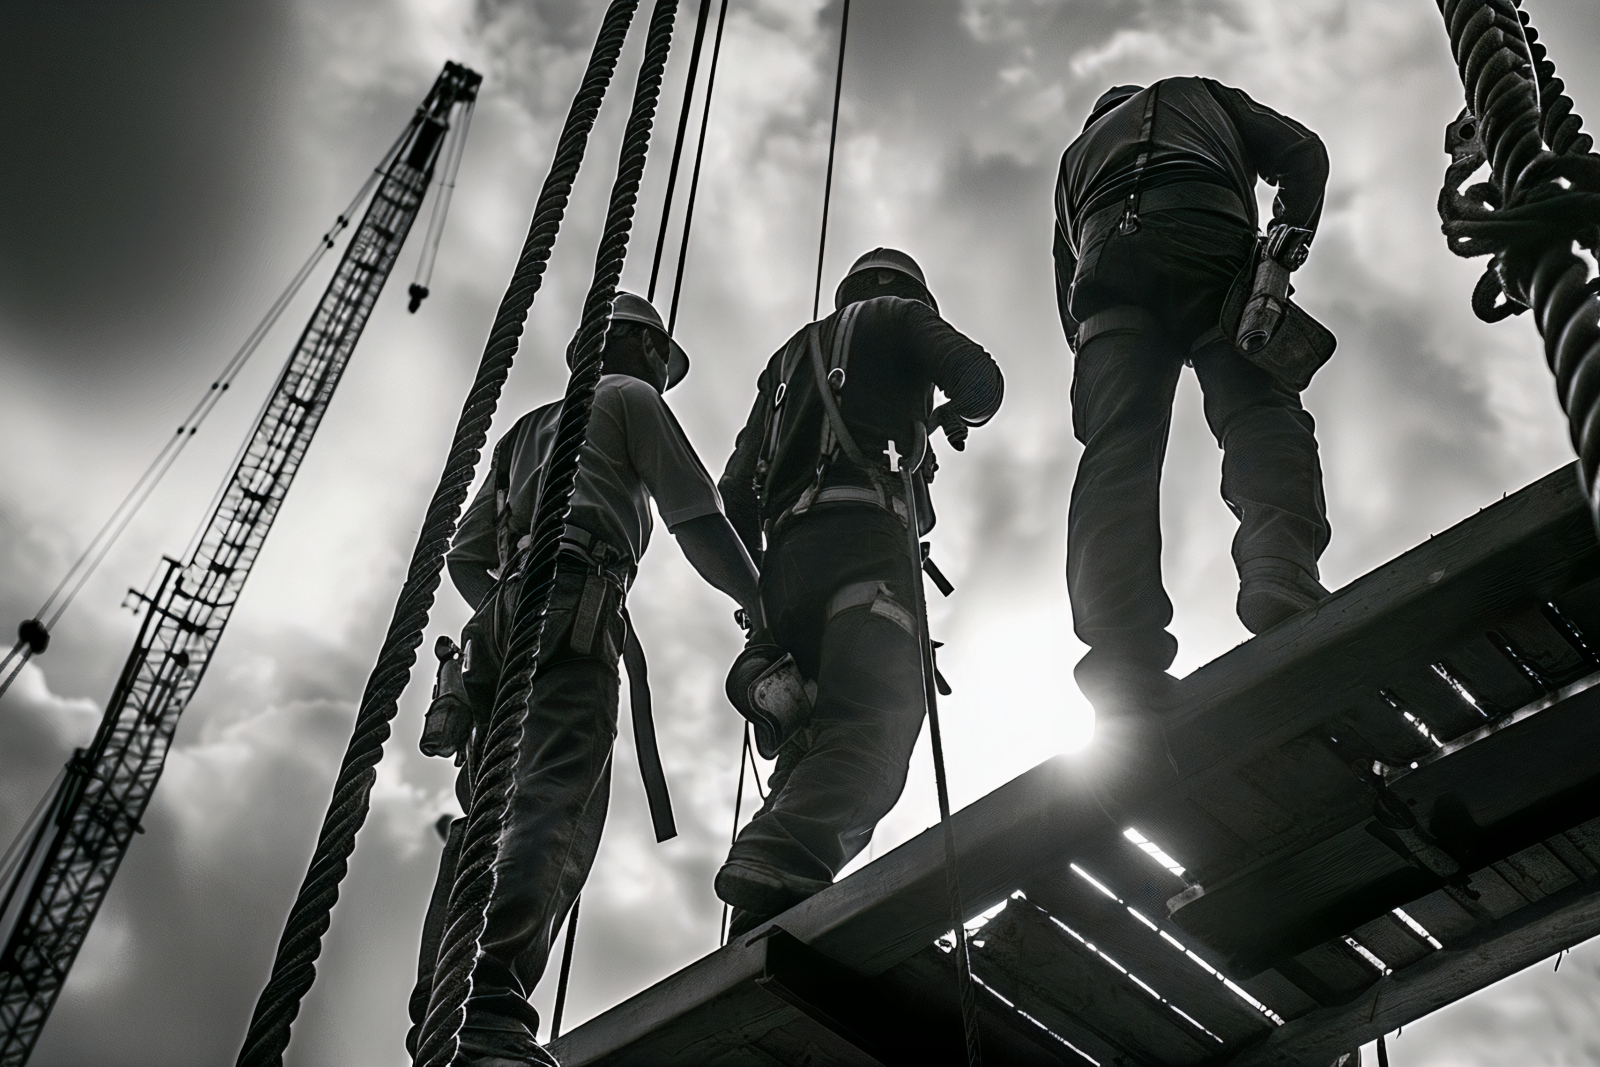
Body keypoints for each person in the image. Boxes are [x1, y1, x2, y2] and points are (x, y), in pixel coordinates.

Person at [407, 293, 763, 1067]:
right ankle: (489, 1007)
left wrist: (517, 597)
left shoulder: (524, 432)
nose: (667, 371)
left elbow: (468, 558)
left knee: (485, 816)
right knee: (550, 802)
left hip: (497, 626)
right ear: (635, 344)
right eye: (664, 354)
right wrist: (760, 603)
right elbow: (698, 519)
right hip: (574, 606)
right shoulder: (629, 398)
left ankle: (441, 1010)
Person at [716, 248, 1003, 937]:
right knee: (876, 724)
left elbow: (732, 495)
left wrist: (769, 591)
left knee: (813, 742)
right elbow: (981, 383)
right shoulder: (902, 319)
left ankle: (759, 912)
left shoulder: (786, 360)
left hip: (784, 579)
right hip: (865, 552)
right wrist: (941, 419)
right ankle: (776, 854)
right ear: (909, 295)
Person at [1054, 79, 1333, 728]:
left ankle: (1120, 654)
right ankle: (1278, 565)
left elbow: (1065, 277)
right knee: (1257, 408)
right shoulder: (1196, 92)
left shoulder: (1074, 157)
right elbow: (1304, 154)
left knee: (1116, 448)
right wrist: (1280, 251)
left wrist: (1096, 366)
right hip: (1207, 235)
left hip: (1108, 271)